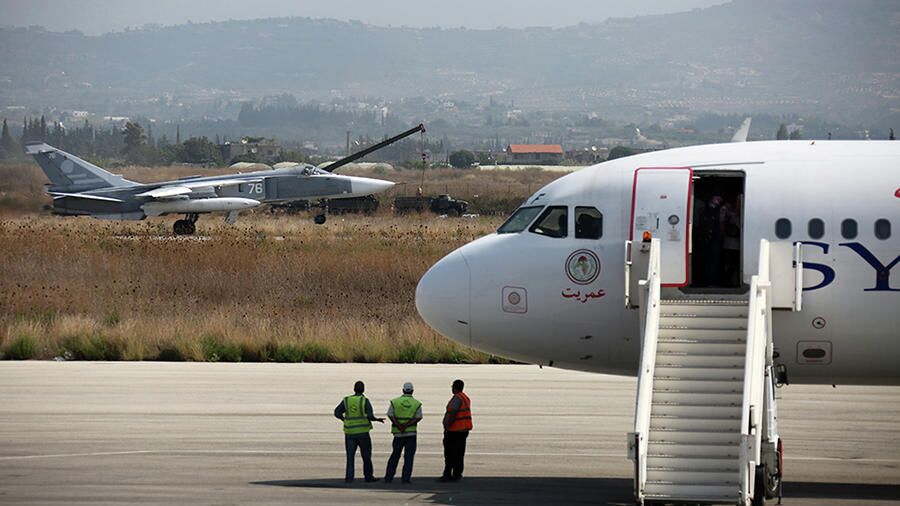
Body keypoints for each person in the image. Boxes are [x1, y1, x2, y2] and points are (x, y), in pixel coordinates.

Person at [334, 380, 384, 483]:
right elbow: (370, 416)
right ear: (364, 389)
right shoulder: (364, 400)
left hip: (350, 432)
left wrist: (344, 419)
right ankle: (368, 476)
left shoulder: (347, 400)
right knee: (366, 456)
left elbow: (337, 412)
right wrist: (377, 419)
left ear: (354, 389)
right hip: (363, 432)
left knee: (350, 457)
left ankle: (349, 478)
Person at [384, 382, 423, 484]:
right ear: (413, 391)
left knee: (395, 456)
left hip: (398, 434)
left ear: (403, 390)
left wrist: (399, 425)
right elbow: (418, 417)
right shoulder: (416, 403)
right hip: (411, 434)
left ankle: (389, 477)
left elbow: (390, 415)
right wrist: (406, 425)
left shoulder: (395, 402)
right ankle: (405, 479)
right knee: (409, 457)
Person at [439, 379, 472, 482]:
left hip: (454, 430)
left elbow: (452, 413)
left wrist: (447, 426)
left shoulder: (457, 398)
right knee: (459, 454)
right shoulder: (465, 397)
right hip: (463, 430)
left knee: (450, 453)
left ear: (455, 387)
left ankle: (447, 474)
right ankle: (457, 474)